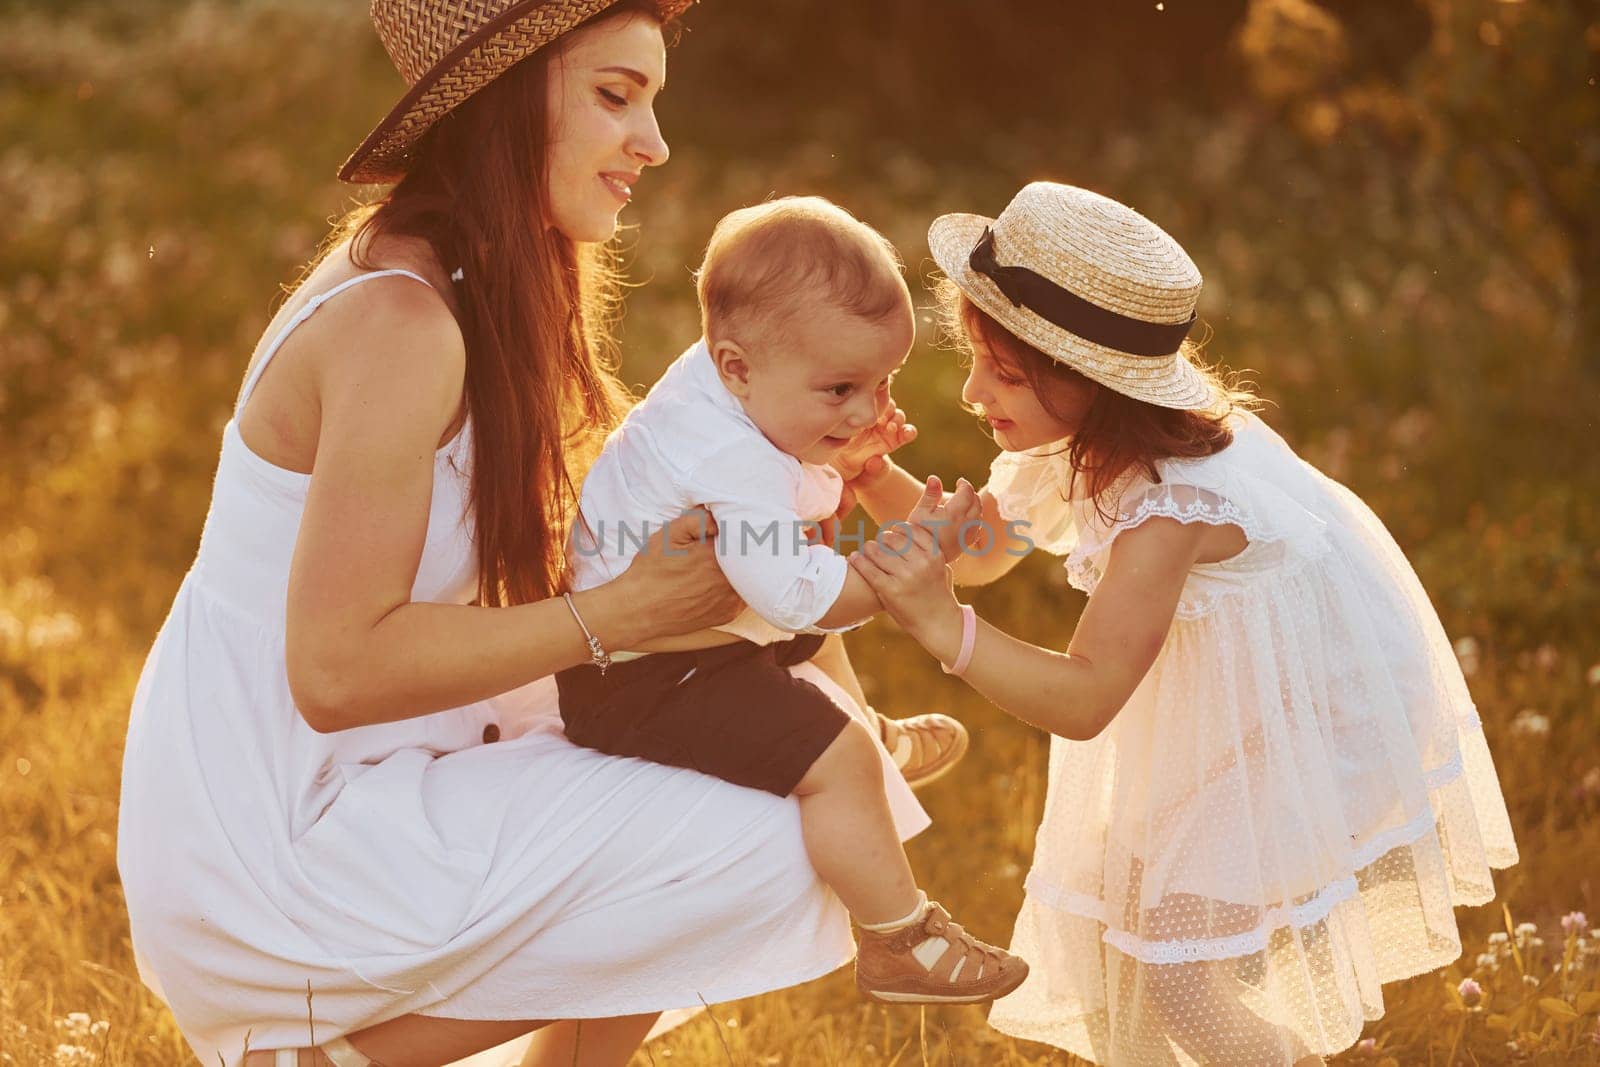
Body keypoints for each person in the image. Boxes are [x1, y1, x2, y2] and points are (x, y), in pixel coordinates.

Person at [115, 3, 939, 1064]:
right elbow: (333, 669)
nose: (653, 143)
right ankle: (323, 1057)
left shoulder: (496, 285)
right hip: (280, 827)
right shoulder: (397, 321)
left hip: (405, 748)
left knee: (792, 762)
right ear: (501, 102)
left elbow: (615, 530)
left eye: (652, 99)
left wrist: (809, 467)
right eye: (614, 95)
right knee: (776, 830)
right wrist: (615, 615)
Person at [844, 182, 1519, 1065]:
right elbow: (983, 548)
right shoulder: (1080, 431)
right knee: (1120, 930)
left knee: (1176, 964)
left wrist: (946, 628)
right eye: (976, 359)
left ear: (1092, 383)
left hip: (1317, 712)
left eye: (1003, 373)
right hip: (1237, 702)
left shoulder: (1168, 505)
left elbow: (1087, 698)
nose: (971, 392)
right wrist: (866, 475)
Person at [557, 195, 1028, 1005]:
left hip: (684, 628)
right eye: (841, 389)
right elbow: (808, 598)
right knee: (833, 758)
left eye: (881, 383)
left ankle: (871, 731)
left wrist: (845, 457)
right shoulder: (726, 454)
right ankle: (896, 937)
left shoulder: (727, 383)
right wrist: (904, 557)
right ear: (737, 365)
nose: (866, 408)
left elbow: (781, 494)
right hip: (634, 681)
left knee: (812, 643)